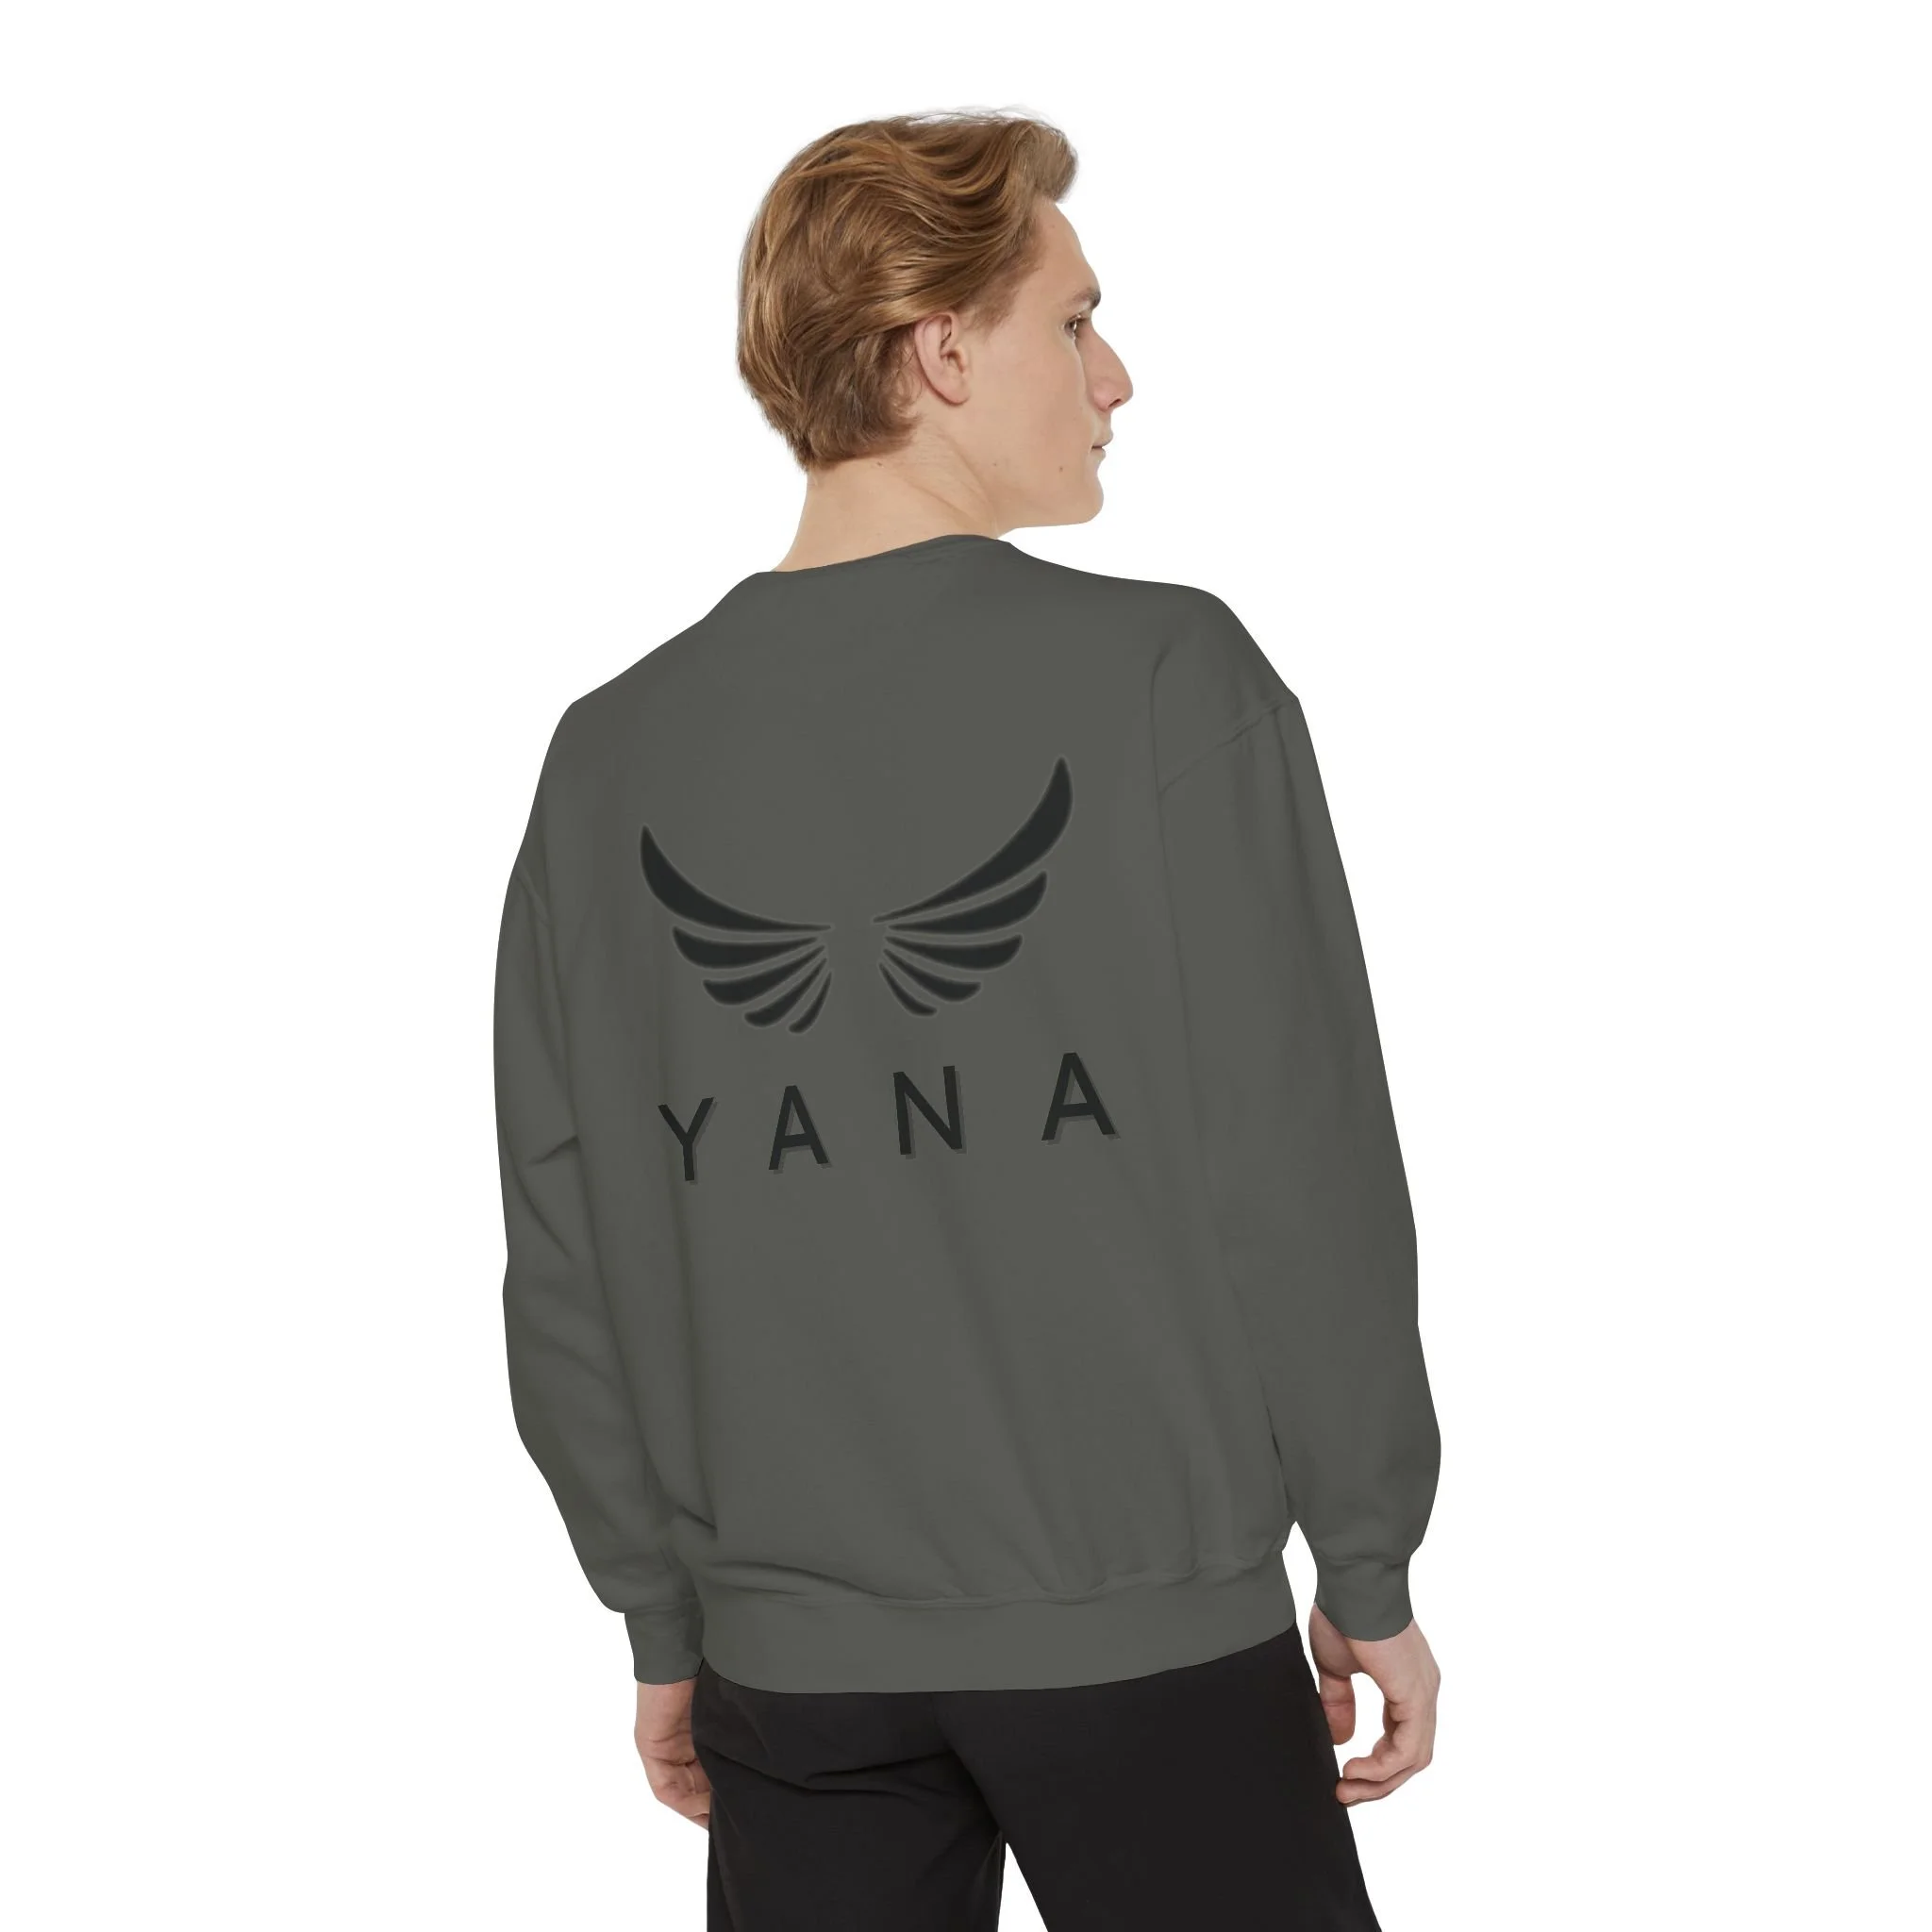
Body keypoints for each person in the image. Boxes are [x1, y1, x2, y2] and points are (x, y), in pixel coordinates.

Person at [493, 108, 1441, 1931]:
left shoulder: (605, 760)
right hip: (1147, 1645)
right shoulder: (1168, 678)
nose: (1116, 375)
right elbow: (1300, 1165)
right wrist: (1371, 1558)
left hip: (793, 1677)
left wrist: (662, 1617)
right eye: (1072, 322)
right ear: (940, 349)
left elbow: (571, 1249)